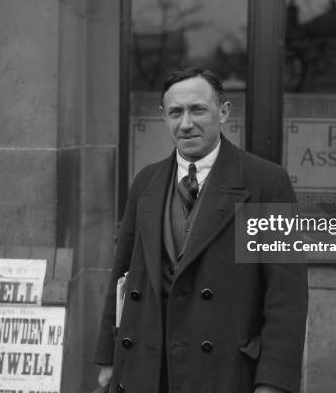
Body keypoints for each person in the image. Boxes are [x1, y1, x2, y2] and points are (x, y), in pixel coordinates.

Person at [93, 68, 308, 393]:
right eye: (176, 112)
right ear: (163, 116)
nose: (186, 123)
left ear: (223, 112)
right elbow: (122, 275)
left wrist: (273, 383)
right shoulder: (145, 182)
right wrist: (109, 358)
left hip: (221, 372)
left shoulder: (265, 183)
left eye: (198, 109)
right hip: (147, 370)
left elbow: (286, 297)